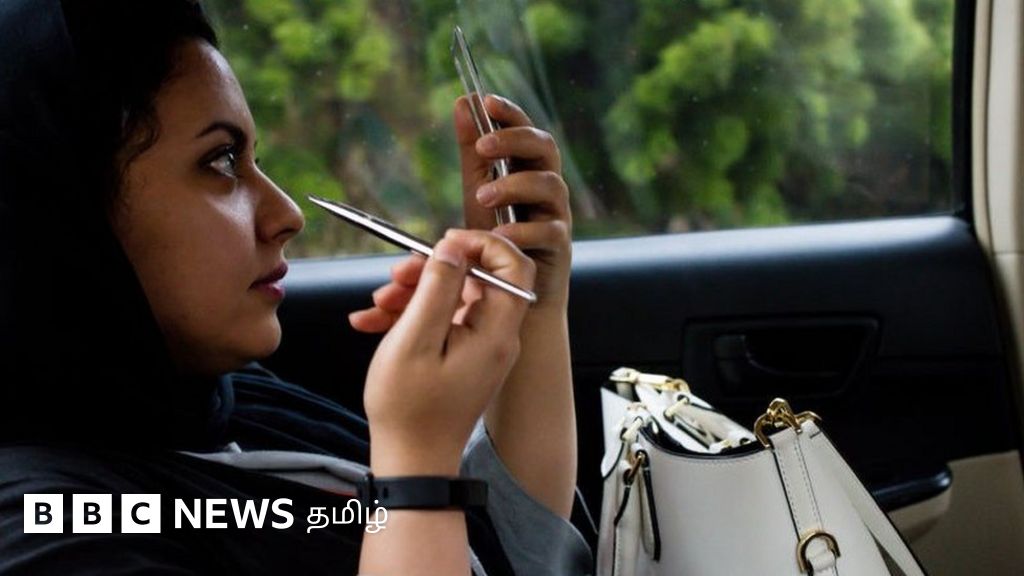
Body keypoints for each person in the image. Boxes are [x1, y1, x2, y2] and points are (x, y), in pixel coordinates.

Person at [0, 1, 591, 574]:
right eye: (221, 161)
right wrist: (415, 465)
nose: (287, 215)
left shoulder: (226, 405)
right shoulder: (44, 532)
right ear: (64, 215)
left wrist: (533, 307)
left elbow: (499, 549)